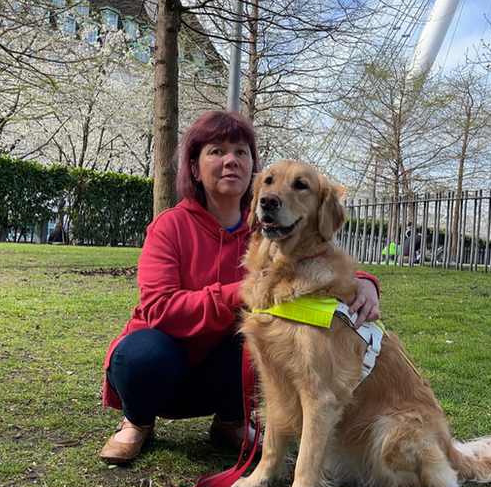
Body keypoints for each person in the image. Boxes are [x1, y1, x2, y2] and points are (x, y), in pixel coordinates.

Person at [98, 111, 382, 465]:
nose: (230, 160)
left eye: (241, 152)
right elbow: (160, 309)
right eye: (216, 151)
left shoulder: (270, 226)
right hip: (165, 362)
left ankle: (230, 421)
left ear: (251, 169)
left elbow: (316, 256)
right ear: (194, 168)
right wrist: (241, 290)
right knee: (143, 354)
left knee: (259, 338)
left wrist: (366, 283)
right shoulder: (168, 226)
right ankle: (137, 422)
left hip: (225, 367)